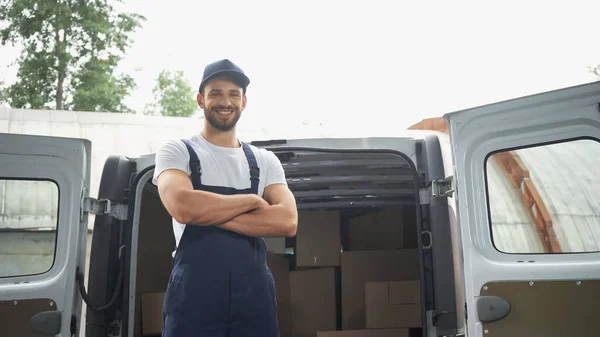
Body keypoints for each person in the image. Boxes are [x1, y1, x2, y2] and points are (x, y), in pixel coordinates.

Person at [152, 59, 298, 337]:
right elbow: (182, 207)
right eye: (215, 93)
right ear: (200, 99)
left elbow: (287, 221)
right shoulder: (178, 151)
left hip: (252, 295)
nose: (225, 101)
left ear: (244, 102)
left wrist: (207, 212)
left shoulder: (265, 161)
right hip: (195, 292)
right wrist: (253, 203)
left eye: (233, 94)